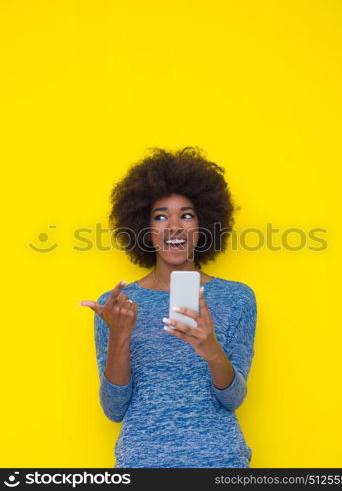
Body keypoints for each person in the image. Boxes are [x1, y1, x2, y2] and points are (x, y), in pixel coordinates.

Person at [79, 146, 257, 468]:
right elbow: (114, 410)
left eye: (186, 215)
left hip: (221, 463)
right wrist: (119, 336)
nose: (174, 226)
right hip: (141, 464)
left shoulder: (237, 298)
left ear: (204, 224)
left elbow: (233, 399)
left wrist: (210, 348)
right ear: (144, 229)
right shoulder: (118, 306)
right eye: (160, 216)